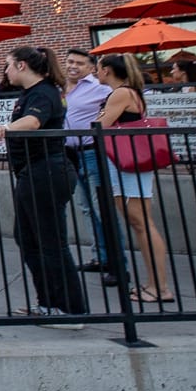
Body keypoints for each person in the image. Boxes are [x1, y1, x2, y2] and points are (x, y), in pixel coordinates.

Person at [0, 46, 87, 325]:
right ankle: (48, 304)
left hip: (47, 172)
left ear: (20, 66)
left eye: (7, 65)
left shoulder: (44, 92)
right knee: (28, 238)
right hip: (32, 173)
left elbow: (33, 122)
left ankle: (70, 309)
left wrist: (6, 128)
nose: (5, 71)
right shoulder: (30, 93)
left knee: (50, 242)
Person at [95, 54, 173, 303]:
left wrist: (95, 118)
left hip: (129, 159)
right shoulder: (122, 93)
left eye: (97, 69)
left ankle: (160, 287)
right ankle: (153, 284)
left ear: (106, 70)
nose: (96, 73)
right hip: (118, 160)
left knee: (142, 222)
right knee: (136, 221)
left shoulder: (122, 93)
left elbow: (100, 125)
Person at [63, 49, 121, 286]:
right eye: (69, 62)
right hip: (69, 155)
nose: (73, 66)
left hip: (92, 153)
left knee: (103, 210)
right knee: (86, 208)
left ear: (90, 68)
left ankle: (118, 266)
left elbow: (124, 105)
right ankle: (101, 257)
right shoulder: (61, 88)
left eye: (79, 63)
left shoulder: (101, 89)